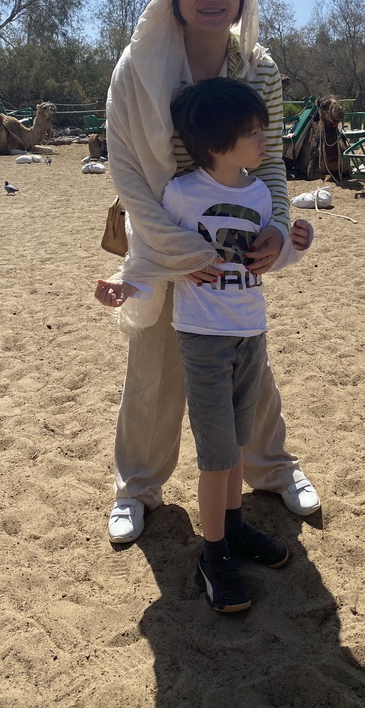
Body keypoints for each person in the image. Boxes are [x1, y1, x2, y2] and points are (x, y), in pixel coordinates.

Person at [95, 0, 321, 545]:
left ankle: (272, 469)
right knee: (154, 365)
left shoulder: (258, 68)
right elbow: (125, 165)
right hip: (163, 232)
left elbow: (270, 158)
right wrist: (175, 249)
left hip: (236, 236)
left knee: (246, 358)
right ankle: (137, 487)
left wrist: (275, 225)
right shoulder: (139, 65)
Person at [99, 79, 314, 611]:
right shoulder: (182, 195)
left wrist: (294, 244)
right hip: (204, 340)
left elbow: (269, 257)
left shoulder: (260, 194)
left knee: (237, 442)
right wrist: (127, 285)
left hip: (250, 332)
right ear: (217, 143)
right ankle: (212, 552)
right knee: (216, 454)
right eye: (252, 133)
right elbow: (159, 257)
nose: (264, 141)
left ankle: (235, 528)